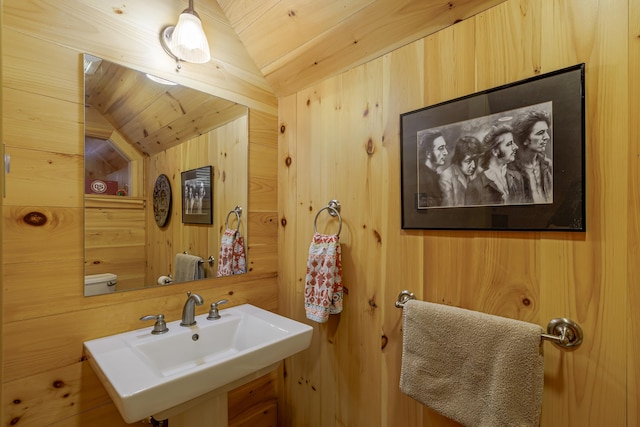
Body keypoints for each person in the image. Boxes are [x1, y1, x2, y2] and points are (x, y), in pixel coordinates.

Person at [466, 124, 525, 206]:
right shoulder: (475, 185)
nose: (516, 147)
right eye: (509, 144)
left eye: (513, 143)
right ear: (495, 151)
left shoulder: (517, 178)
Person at [511, 110, 553, 204]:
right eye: (540, 133)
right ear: (525, 139)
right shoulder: (509, 172)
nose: (547, 137)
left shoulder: (547, 165)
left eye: (546, 132)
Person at [439, 136, 484, 206]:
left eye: (475, 160)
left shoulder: (479, 173)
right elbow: (447, 209)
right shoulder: (447, 177)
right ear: (458, 160)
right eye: (468, 161)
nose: (473, 166)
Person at [417, 129, 448, 207]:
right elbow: (422, 211)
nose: (446, 152)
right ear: (428, 154)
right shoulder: (420, 178)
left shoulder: (436, 176)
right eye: (441, 148)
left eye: (445, 148)